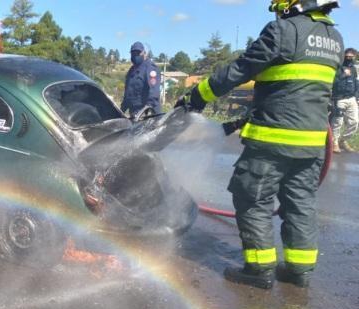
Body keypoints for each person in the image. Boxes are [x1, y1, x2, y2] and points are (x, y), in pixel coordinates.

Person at [177, 0, 344, 289]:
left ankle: (258, 269)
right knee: (300, 202)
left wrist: (197, 96)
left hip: (273, 138)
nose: (279, 11)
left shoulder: (283, 31)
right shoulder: (335, 40)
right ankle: (299, 270)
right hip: (313, 142)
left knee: (252, 198)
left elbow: (239, 69)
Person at [121, 42, 162, 117]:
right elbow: (128, 94)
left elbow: (154, 92)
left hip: (149, 115)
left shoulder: (150, 68)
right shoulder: (131, 71)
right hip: (134, 114)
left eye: (138, 53)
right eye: (133, 53)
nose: (135, 55)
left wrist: (147, 109)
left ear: (144, 53)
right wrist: (121, 110)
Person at [330, 48, 359, 152]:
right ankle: (335, 142)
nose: (349, 58)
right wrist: (343, 75)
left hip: (351, 99)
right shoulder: (338, 67)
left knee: (354, 122)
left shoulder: (354, 69)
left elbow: (356, 83)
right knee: (337, 122)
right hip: (339, 98)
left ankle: (343, 141)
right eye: (347, 56)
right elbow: (333, 81)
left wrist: (357, 97)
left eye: (351, 57)